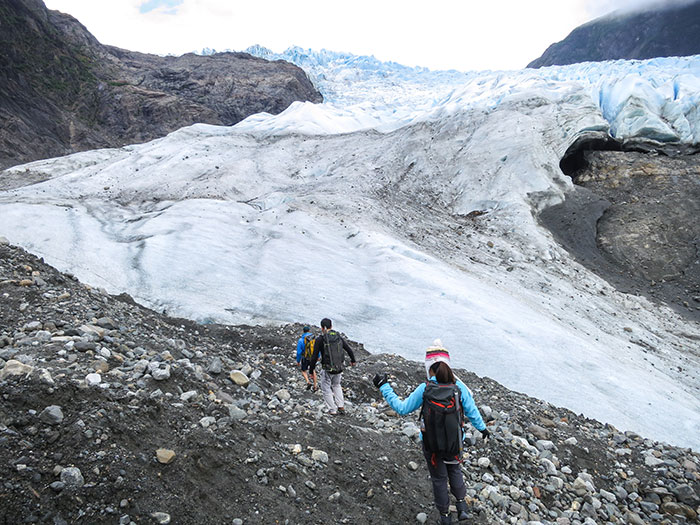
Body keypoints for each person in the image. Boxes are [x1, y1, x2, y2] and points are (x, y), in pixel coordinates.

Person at [372, 340, 489, 525]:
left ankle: (445, 517)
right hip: (455, 443)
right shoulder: (459, 389)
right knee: (455, 471)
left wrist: (384, 386)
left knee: (439, 479)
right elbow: (473, 412)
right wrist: (483, 429)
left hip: (431, 444)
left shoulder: (425, 388)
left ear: (429, 368)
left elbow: (402, 408)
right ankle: (462, 508)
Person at [310, 318, 356, 415]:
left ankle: (332, 409)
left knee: (326, 388)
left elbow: (314, 356)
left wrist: (311, 370)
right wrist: (353, 360)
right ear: (331, 326)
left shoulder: (321, 339)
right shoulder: (338, 337)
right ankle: (341, 406)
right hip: (338, 367)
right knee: (336, 385)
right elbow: (349, 349)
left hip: (327, 369)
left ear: (322, 328)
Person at [295, 325, 318, 391]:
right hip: (313, 357)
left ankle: (308, 381)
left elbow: (299, 352)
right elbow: (317, 348)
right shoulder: (314, 339)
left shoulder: (301, 340)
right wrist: (318, 356)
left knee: (303, 370)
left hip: (305, 357)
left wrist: (298, 361)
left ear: (303, 331)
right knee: (313, 370)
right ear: (309, 331)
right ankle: (315, 385)